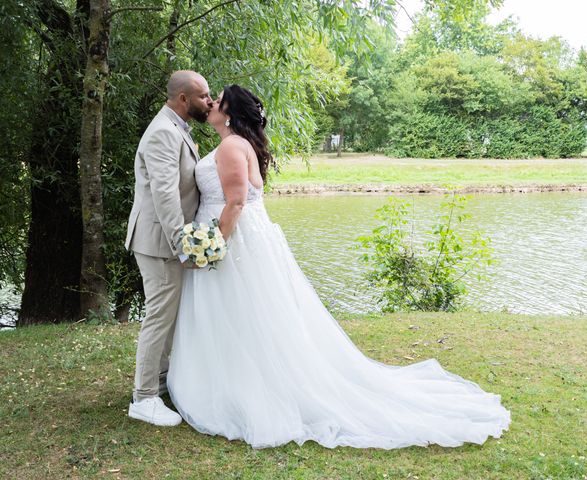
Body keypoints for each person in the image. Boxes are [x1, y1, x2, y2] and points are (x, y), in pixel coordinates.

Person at [167, 84, 511, 448]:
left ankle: (244, 390)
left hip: (234, 242)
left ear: (231, 113)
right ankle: (229, 380)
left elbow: (235, 203)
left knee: (241, 315)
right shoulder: (233, 145)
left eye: (218, 100)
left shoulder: (232, 146)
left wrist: (214, 245)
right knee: (242, 316)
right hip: (242, 239)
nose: (212, 104)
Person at [124, 70, 213, 426]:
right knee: (159, 316)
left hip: (165, 239)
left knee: (169, 315)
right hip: (159, 240)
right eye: (205, 96)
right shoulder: (163, 131)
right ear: (183, 99)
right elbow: (164, 194)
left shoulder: (176, 127)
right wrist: (183, 243)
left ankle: (159, 383)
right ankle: (143, 398)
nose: (209, 101)